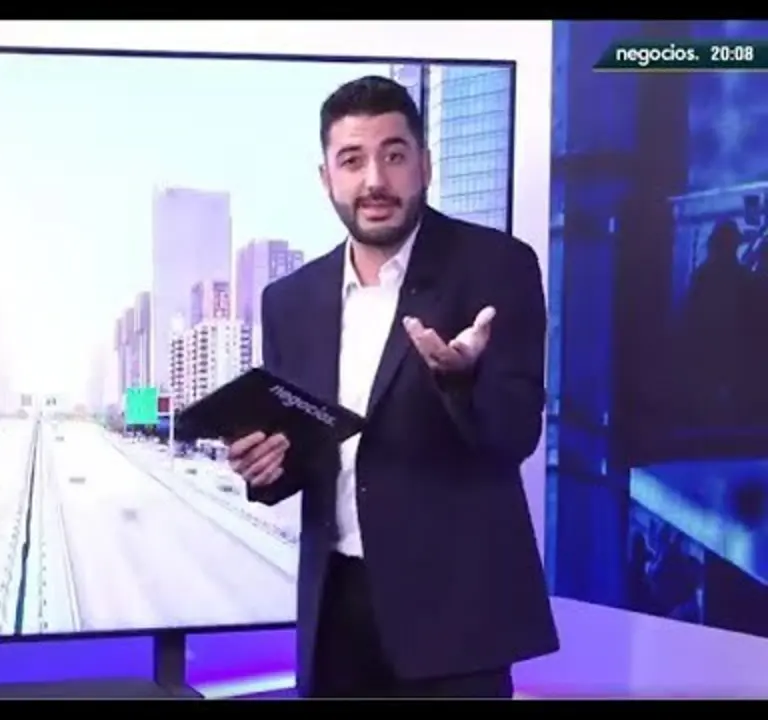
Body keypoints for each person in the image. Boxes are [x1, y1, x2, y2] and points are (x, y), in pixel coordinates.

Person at [225, 76, 558, 698]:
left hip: (456, 621)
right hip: (336, 616)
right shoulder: (289, 300)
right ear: (326, 177)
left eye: (394, 155)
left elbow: (516, 434)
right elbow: (301, 448)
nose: (375, 179)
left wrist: (459, 382)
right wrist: (264, 467)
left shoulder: (497, 265)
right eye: (352, 160)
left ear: (425, 165)